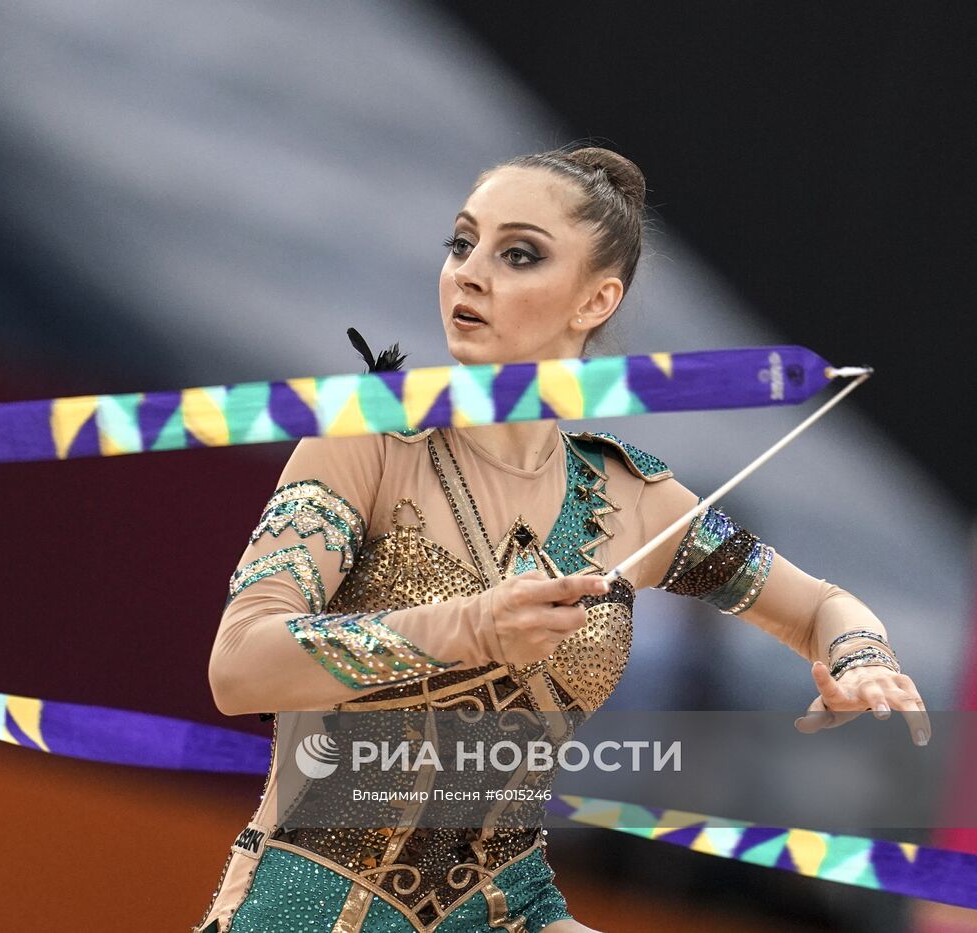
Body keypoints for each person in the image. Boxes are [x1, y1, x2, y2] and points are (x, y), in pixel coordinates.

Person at [193, 145, 927, 933]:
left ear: (595, 299)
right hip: (313, 908)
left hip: (510, 909)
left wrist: (862, 661)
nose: (469, 273)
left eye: (518, 255)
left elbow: (819, 604)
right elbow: (239, 667)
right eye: (462, 244)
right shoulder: (369, 443)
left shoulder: (634, 500)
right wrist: (471, 625)